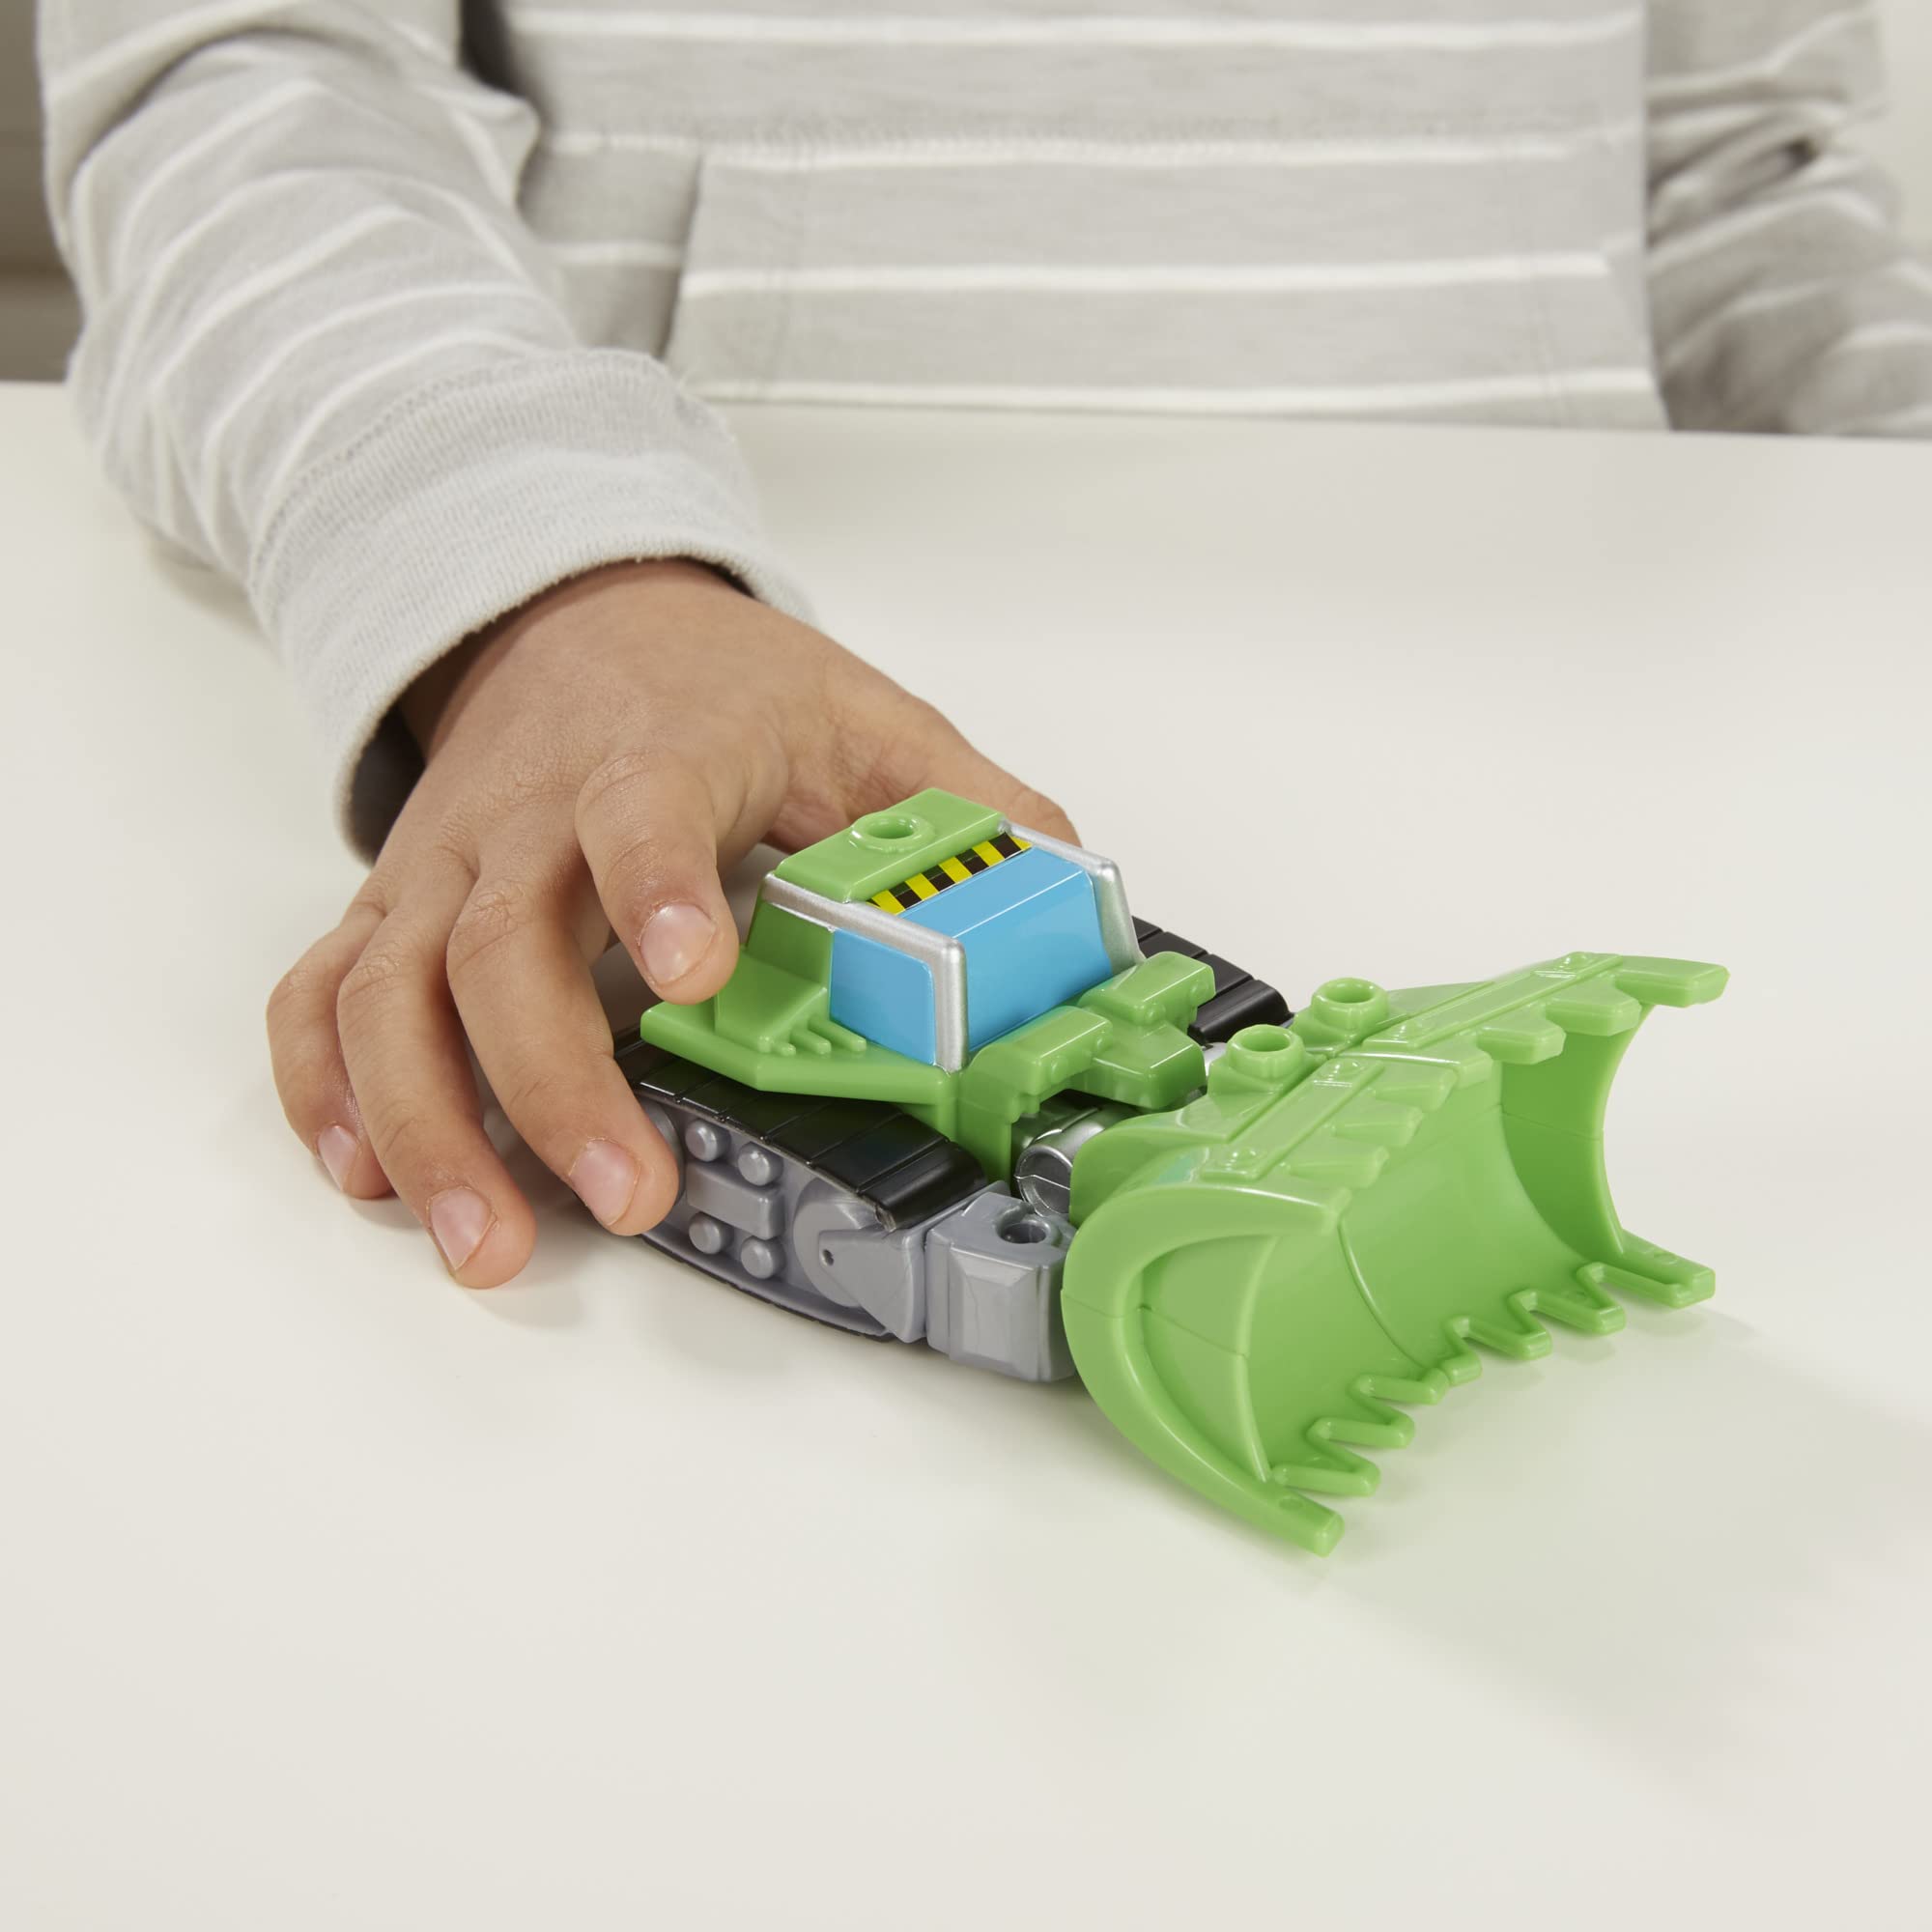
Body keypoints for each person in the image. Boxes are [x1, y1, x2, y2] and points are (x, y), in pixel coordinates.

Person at [40, 0, 1932, 1286]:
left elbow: (1749, 180)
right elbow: (244, 80)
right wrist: (546, 569)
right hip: (706, 643)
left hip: (1612, 689)